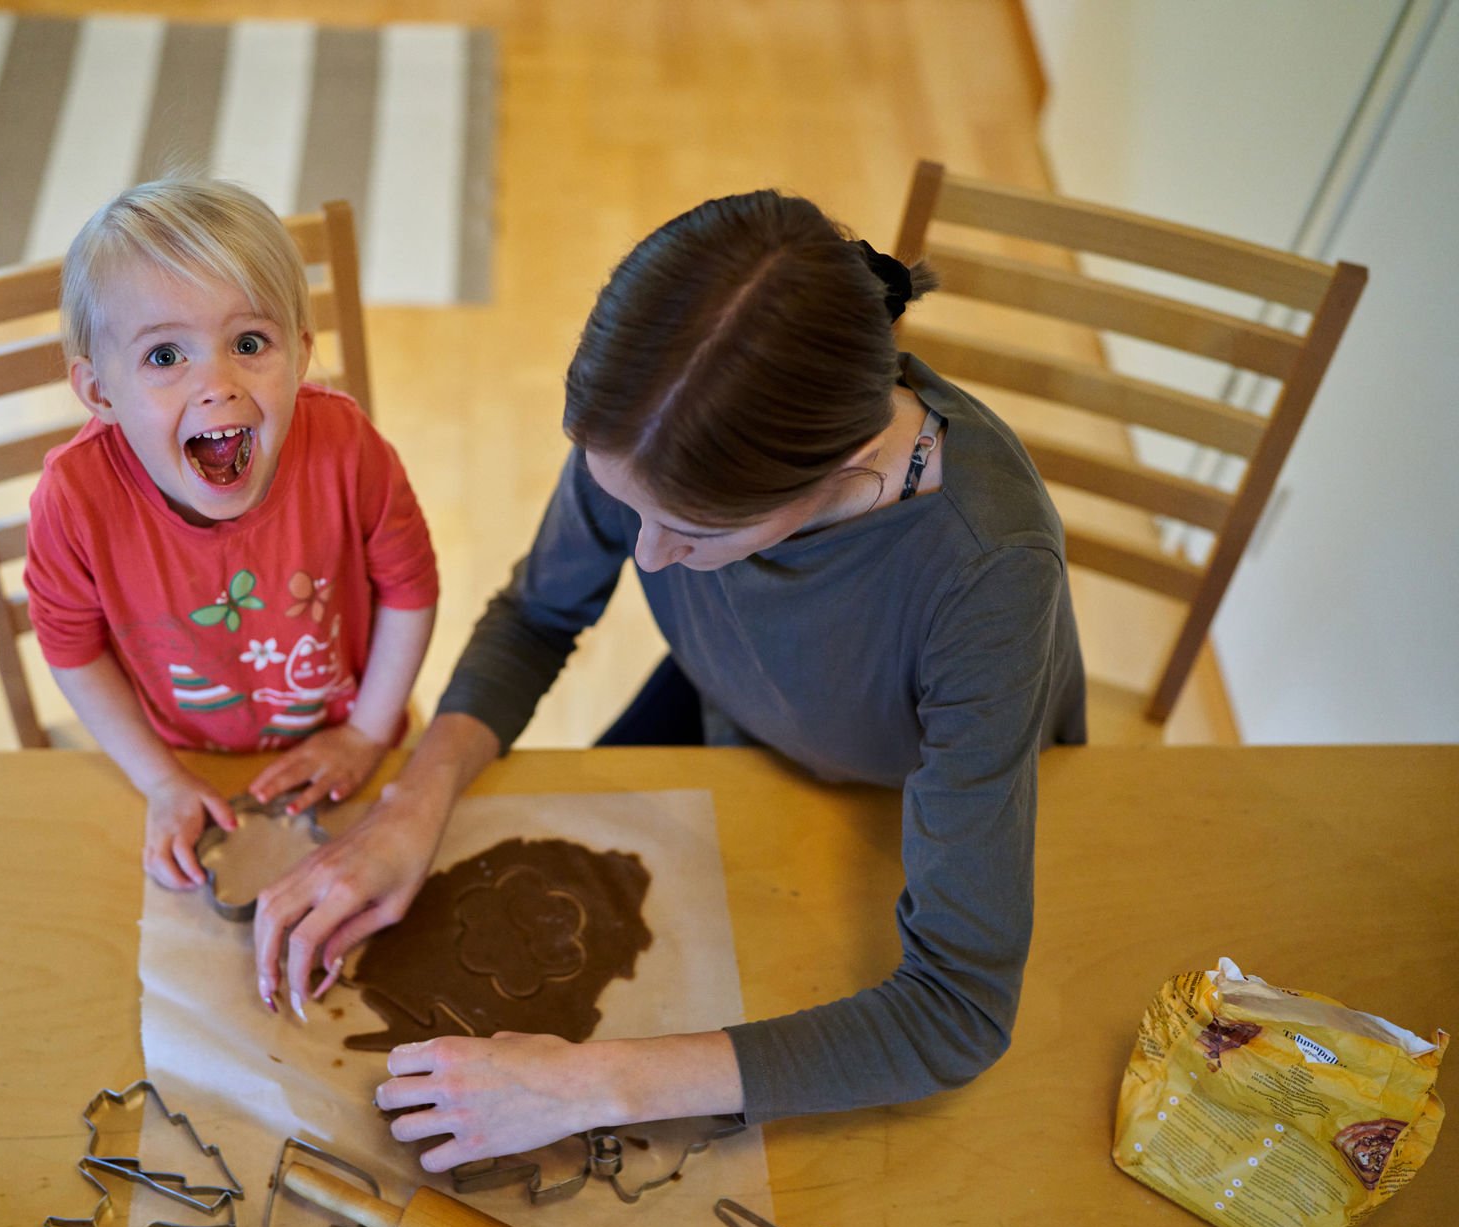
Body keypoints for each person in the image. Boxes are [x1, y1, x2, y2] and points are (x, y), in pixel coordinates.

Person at [249, 189, 1088, 1166]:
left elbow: (956, 1008)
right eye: (623, 506)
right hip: (729, 706)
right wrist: (411, 802)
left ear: (845, 464)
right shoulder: (659, 419)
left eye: (694, 533)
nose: (644, 555)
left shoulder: (987, 574)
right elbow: (536, 615)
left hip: (905, 788)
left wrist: (589, 1080)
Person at [25, 175, 438, 910]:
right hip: (179, 763)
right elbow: (70, 648)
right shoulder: (73, 500)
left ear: (302, 354)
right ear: (98, 392)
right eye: (163, 357)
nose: (217, 382)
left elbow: (411, 588)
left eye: (249, 343)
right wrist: (158, 780)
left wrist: (369, 734)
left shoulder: (348, 446)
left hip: (351, 746)